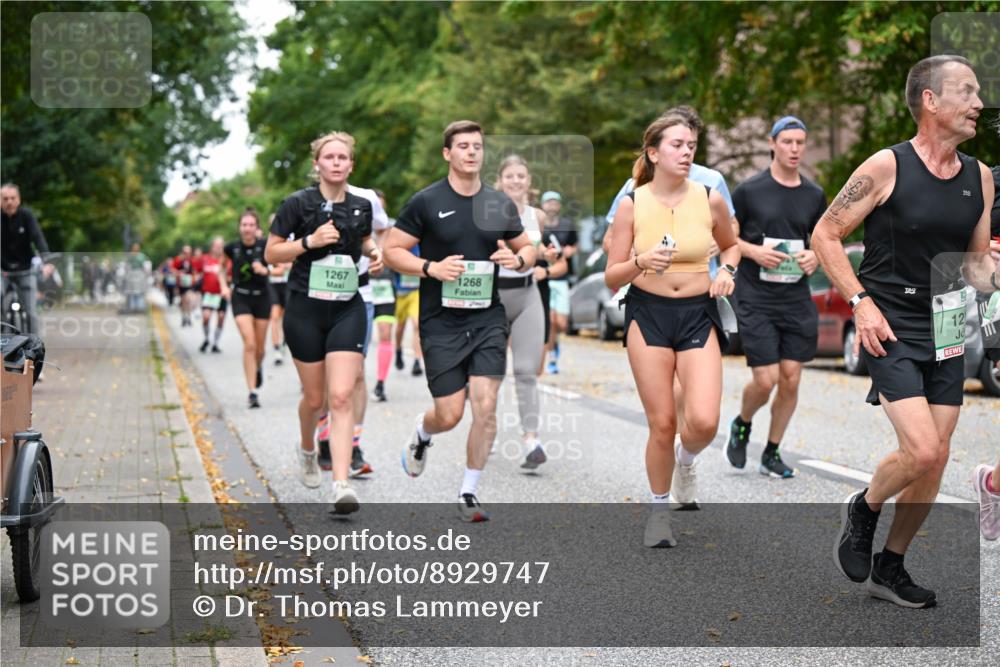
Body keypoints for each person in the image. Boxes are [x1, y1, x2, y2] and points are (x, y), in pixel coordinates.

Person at [813, 55, 996, 608]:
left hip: (943, 321)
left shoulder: (980, 177)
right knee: (918, 449)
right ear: (929, 101)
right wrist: (860, 303)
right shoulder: (886, 166)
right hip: (887, 319)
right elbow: (826, 234)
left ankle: (890, 566)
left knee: (936, 456)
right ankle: (863, 508)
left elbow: (976, 265)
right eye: (966, 92)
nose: (979, 104)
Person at [383, 120, 536, 521]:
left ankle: (469, 491)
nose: (472, 152)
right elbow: (392, 249)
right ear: (447, 154)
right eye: (463, 146)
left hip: (487, 318)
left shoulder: (498, 203)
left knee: (485, 405)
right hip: (441, 321)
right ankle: (423, 432)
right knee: (449, 414)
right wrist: (430, 267)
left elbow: (528, 248)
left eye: (478, 146)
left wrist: (518, 259)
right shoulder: (426, 201)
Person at [605, 111, 739, 548]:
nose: (686, 153)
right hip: (649, 314)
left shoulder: (709, 197)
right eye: (677, 145)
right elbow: (611, 275)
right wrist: (640, 262)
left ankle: (687, 459)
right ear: (653, 152)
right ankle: (659, 511)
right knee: (662, 423)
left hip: (699, 313)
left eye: (691, 146)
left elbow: (732, 243)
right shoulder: (632, 203)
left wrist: (728, 272)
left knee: (703, 421)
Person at [265, 131, 381, 514]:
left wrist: (375, 252)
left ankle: (341, 483)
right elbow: (271, 252)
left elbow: (364, 240)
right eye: (328, 157)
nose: (335, 162)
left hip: (347, 306)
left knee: (342, 396)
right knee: (315, 400)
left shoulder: (364, 204)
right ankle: (307, 449)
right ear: (317, 164)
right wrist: (308, 243)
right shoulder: (297, 203)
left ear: (351, 164)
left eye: (342, 157)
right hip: (305, 308)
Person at [724, 116, 827, 478]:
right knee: (765, 379)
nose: (795, 149)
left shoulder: (814, 195)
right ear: (773, 143)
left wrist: (816, 255)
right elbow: (726, 238)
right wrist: (753, 252)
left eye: (801, 142)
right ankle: (742, 422)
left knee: (791, 379)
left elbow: (824, 240)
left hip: (796, 298)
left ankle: (771, 451)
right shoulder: (749, 191)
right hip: (756, 296)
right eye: (788, 142)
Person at [494, 155, 550, 469]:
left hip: (528, 294)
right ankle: (484, 429)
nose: (516, 181)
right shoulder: (487, 212)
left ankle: (532, 441)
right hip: (493, 296)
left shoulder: (537, 216)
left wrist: (545, 256)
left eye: (521, 176)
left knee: (527, 370)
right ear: (500, 181)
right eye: (510, 176)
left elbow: (537, 251)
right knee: (489, 373)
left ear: (529, 181)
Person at [219, 209, 272, 409]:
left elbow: (280, 267)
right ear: (239, 227)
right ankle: (252, 392)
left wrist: (265, 270)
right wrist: (224, 286)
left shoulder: (265, 245)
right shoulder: (231, 248)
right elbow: (221, 268)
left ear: (256, 227)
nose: (247, 228)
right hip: (240, 297)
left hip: (262, 298)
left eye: (251, 225)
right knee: (249, 343)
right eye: (244, 225)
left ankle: (257, 367)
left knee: (260, 348)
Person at [1, 183, 50, 334]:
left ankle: (36, 351)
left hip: (25, 271)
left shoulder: (27, 216)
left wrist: (47, 262)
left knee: (31, 312)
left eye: (12, 198)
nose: (9, 201)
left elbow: (38, 238)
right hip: (2, 271)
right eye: (5, 198)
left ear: (19, 200)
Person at [540, 191, 578, 374]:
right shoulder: (538, 226)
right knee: (550, 319)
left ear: (560, 206)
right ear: (543, 205)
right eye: (549, 202)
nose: (552, 205)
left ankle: (555, 345)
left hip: (563, 277)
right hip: (545, 278)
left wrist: (570, 251)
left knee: (561, 323)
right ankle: (552, 356)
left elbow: (574, 245)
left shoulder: (567, 225)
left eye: (555, 202)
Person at [371, 189, 397, 402]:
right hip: (361, 288)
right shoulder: (358, 224)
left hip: (385, 287)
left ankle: (380, 383)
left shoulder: (393, 229)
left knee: (385, 333)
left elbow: (400, 256)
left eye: (381, 205)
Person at [267, 213, 292, 366]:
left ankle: (283, 344)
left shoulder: (291, 241)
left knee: (287, 320)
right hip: (273, 285)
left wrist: (283, 265)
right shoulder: (268, 243)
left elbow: (293, 264)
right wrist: (283, 266)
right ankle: (277, 349)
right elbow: (270, 267)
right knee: (274, 317)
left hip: (289, 285)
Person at [394, 246, 423, 373]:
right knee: (400, 326)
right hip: (400, 293)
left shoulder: (420, 245)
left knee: (417, 324)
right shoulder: (398, 245)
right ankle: (398, 350)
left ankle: (417, 361)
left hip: (415, 292)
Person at [198, 236, 228, 353]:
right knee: (206, 317)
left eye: (221, 246)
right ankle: (206, 339)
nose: (219, 248)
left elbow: (231, 276)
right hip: (208, 294)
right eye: (217, 246)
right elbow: (197, 272)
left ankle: (215, 343)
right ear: (212, 247)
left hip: (221, 294)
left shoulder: (226, 260)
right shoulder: (204, 259)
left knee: (221, 318)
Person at [172, 245, 197, 326]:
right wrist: (179, 273)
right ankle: (184, 317)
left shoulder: (192, 260)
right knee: (183, 301)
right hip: (181, 283)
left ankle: (188, 317)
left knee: (188, 299)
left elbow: (195, 270)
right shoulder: (178, 260)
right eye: (185, 252)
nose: (187, 254)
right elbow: (172, 269)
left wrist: (194, 276)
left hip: (190, 283)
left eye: (189, 252)